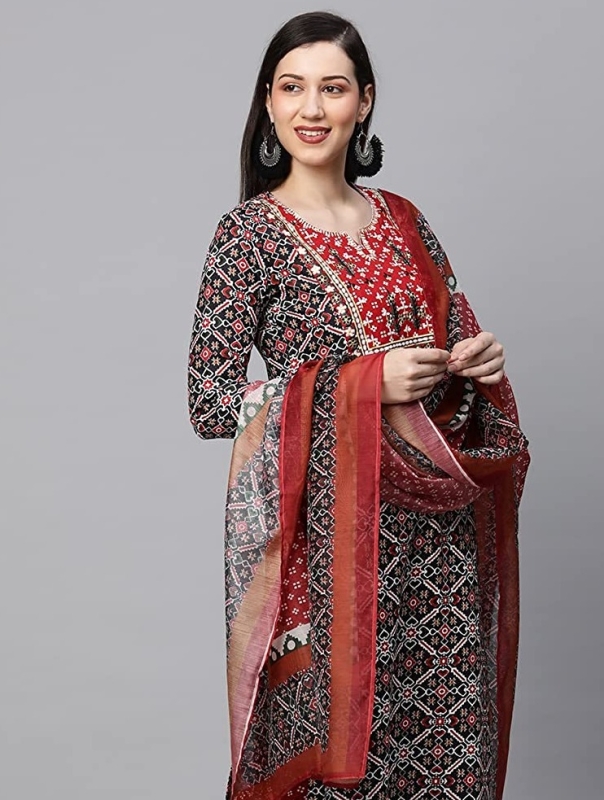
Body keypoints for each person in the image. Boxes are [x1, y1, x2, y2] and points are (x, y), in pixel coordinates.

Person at [186, 11, 530, 800]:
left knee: (446, 760)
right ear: (268, 103)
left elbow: (454, 361)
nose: (311, 109)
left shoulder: (407, 221)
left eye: (332, 89)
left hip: (440, 554)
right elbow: (210, 404)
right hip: (331, 552)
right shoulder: (247, 236)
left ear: (364, 101)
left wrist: (477, 367)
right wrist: (365, 381)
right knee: (343, 770)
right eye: (292, 88)